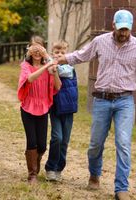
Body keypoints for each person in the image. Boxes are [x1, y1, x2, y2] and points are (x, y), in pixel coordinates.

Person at [57, 10, 136, 200]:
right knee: (95, 144)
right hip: (102, 100)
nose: (123, 33)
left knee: (123, 143)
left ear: (131, 28)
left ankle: (121, 188)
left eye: (127, 30)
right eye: (120, 29)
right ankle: (94, 174)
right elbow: (81, 55)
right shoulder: (100, 41)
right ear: (113, 25)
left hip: (124, 101)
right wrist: (62, 58)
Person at [17, 35, 62, 184]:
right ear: (29, 49)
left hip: (43, 108)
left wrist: (52, 67)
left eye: (39, 48)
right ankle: (32, 174)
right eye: (33, 48)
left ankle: (34, 163)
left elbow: (58, 86)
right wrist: (46, 65)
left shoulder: (49, 66)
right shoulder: (25, 66)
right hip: (28, 107)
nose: (36, 52)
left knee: (42, 145)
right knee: (32, 141)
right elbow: (30, 78)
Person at [44, 41, 78, 181]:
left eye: (63, 52)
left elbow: (61, 72)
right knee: (57, 137)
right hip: (56, 106)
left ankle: (59, 168)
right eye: (57, 52)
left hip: (68, 108)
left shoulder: (69, 67)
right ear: (52, 52)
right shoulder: (50, 64)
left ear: (67, 54)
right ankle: (50, 167)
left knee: (65, 141)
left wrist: (53, 66)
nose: (59, 55)